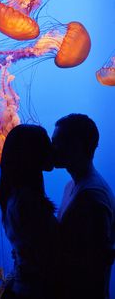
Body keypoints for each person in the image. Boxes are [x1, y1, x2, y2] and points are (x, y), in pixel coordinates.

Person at [52, 113, 115, 299]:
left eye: (57, 142)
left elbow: (98, 260)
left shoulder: (92, 195)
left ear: (77, 145)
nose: (51, 148)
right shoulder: (71, 186)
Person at [0, 124, 61, 299]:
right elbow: (52, 253)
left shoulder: (17, 194)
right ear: (31, 153)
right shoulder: (26, 201)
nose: (52, 148)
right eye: (46, 143)